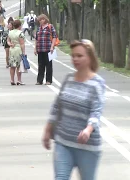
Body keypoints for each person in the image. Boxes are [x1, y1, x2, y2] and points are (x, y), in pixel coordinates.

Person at [42, 39, 105, 180]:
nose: (75, 59)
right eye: (73, 56)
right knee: (61, 177)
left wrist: (88, 130)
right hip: (63, 142)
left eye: (80, 56)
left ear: (89, 57)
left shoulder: (97, 83)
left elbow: (96, 111)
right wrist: (47, 130)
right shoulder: (68, 79)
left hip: (87, 146)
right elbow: (57, 106)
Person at [34, 14, 57, 85]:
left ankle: (48, 80)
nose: (41, 21)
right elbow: (36, 39)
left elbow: (54, 37)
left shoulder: (50, 27)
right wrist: (35, 48)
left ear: (45, 19)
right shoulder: (39, 28)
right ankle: (39, 80)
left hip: (48, 48)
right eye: (40, 20)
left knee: (49, 65)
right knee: (40, 65)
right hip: (40, 49)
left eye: (42, 19)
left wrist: (52, 46)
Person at [7, 20, 26, 85]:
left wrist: (10, 44)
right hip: (18, 49)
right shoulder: (20, 33)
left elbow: (8, 41)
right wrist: (24, 52)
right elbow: (22, 43)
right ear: (19, 26)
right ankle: (19, 80)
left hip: (12, 49)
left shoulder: (10, 32)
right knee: (19, 65)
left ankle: (12, 79)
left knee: (12, 65)